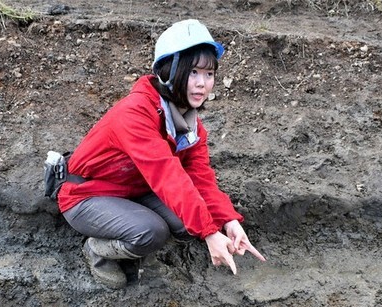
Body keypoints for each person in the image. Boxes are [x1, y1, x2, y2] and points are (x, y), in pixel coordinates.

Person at [57, 19, 266, 289]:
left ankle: (135, 231)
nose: (202, 84)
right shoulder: (135, 113)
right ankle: (98, 250)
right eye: (193, 72)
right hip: (87, 195)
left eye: (209, 74)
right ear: (168, 72)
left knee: (188, 222)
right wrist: (209, 233)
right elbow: (168, 176)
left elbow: (200, 179)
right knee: (151, 231)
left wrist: (228, 221)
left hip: (134, 189)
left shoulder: (190, 126)